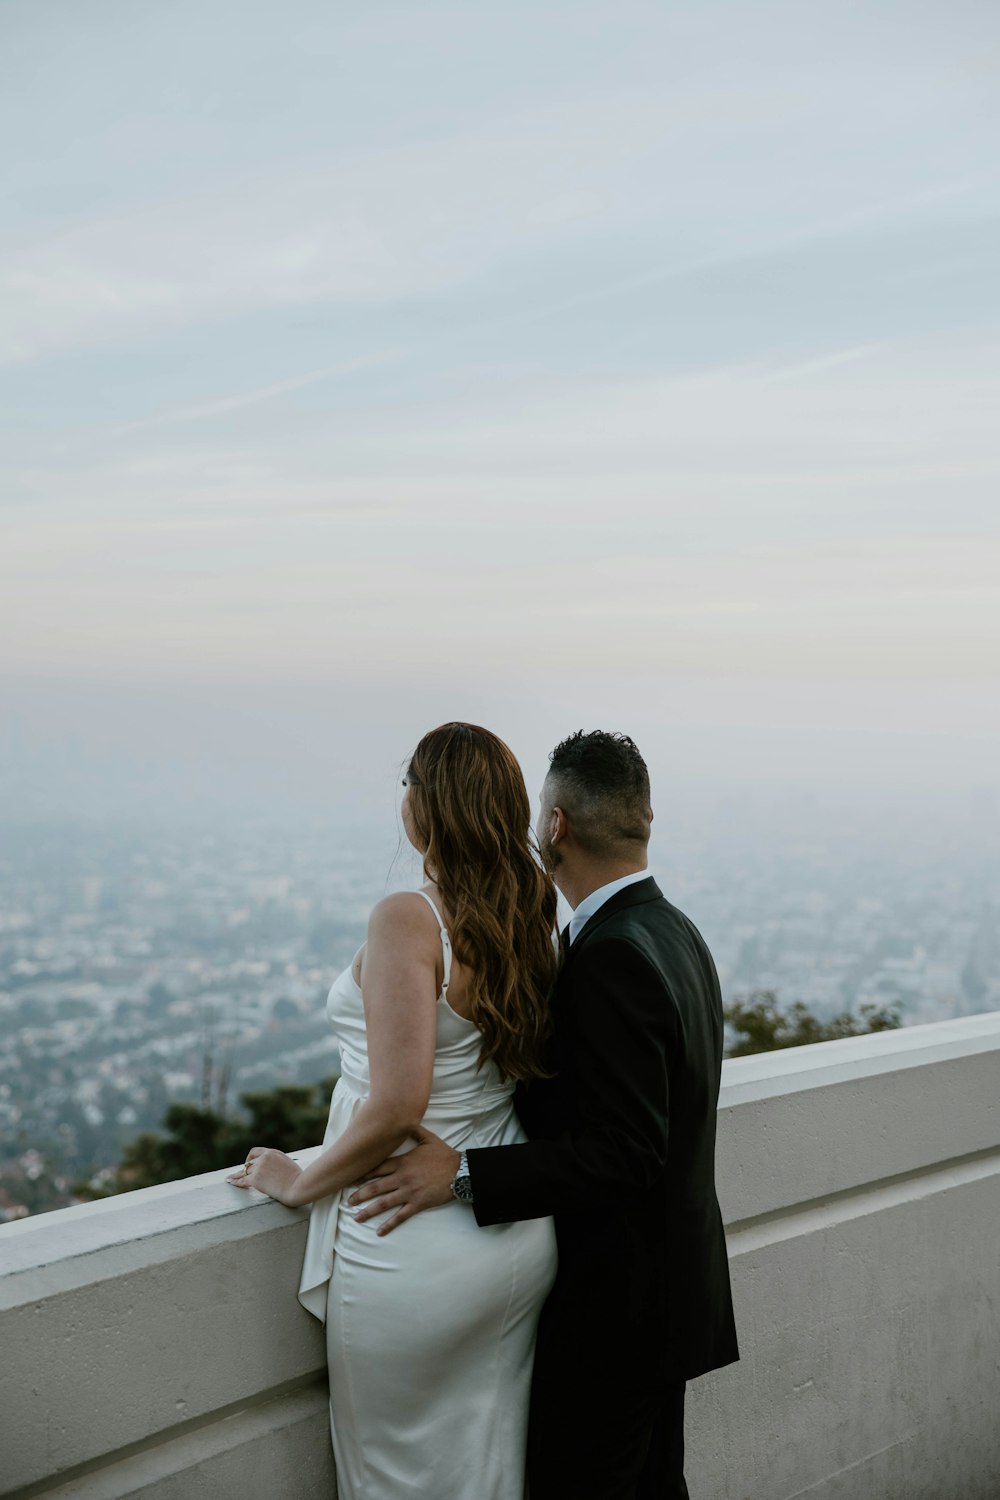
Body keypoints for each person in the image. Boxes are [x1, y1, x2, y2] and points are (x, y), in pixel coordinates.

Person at [349, 729, 739, 1500]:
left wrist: (463, 1172)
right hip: (668, 1297)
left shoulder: (612, 956)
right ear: (642, 819)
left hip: (617, 1316)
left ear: (555, 825)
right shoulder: (674, 931)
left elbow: (628, 1152)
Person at [228, 722, 559, 1500]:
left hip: (405, 1240)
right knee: (487, 1465)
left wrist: (298, 1181)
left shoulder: (409, 918)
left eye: (407, 783)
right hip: (508, 1237)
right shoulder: (529, 906)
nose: (401, 798)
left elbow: (397, 1105)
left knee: (395, 1477)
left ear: (429, 804)